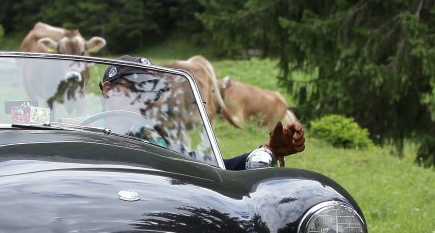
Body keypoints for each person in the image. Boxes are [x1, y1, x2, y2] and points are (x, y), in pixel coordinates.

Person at [97, 56, 304, 170]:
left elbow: (217, 168)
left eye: (153, 93)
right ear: (108, 90)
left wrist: (269, 150)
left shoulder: (156, 142)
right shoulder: (81, 130)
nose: (147, 101)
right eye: (138, 89)